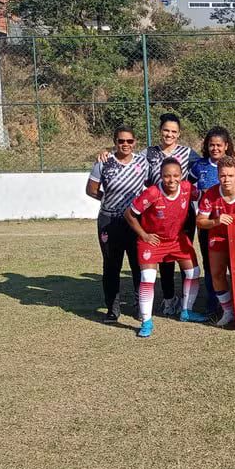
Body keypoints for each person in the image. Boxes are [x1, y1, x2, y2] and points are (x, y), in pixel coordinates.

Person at [99, 114, 201, 318]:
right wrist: (104, 154)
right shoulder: (148, 153)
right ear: (160, 131)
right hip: (156, 214)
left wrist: (230, 157)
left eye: (173, 131)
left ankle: (185, 305)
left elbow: (207, 166)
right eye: (166, 130)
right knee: (162, 260)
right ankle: (168, 299)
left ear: (179, 134)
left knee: (183, 258)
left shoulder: (188, 153)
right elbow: (126, 157)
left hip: (182, 215)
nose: (169, 134)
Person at [125, 158, 206, 338]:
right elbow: (129, 214)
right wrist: (144, 235)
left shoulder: (187, 188)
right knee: (148, 277)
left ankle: (186, 311)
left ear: (181, 176)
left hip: (177, 239)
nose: (171, 180)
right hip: (153, 240)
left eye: (176, 175)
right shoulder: (152, 193)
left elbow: (205, 195)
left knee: (193, 272)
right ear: (161, 176)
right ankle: (146, 321)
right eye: (167, 176)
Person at [86, 126, 148, 324]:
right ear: (115, 142)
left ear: (135, 142)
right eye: (121, 141)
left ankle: (140, 305)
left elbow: (154, 187)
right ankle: (112, 308)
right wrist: (111, 201)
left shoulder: (143, 162)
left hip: (134, 221)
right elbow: (91, 189)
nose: (125, 145)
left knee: (138, 264)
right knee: (112, 265)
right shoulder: (104, 162)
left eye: (129, 141)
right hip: (109, 220)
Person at [188, 127, 235, 316]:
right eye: (211, 145)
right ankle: (214, 304)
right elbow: (188, 186)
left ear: (226, 146)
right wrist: (200, 195)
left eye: (219, 145)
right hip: (209, 221)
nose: (215, 148)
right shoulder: (199, 166)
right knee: (211, 266)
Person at [196, 156, 235, 329]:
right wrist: (216, 221)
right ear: (218, 176)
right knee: (217, 274)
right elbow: (200, 221)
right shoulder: (210, 194)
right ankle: (228, 311)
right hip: (218, 238)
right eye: (223, 175)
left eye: (230, 175)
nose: (227, 179)